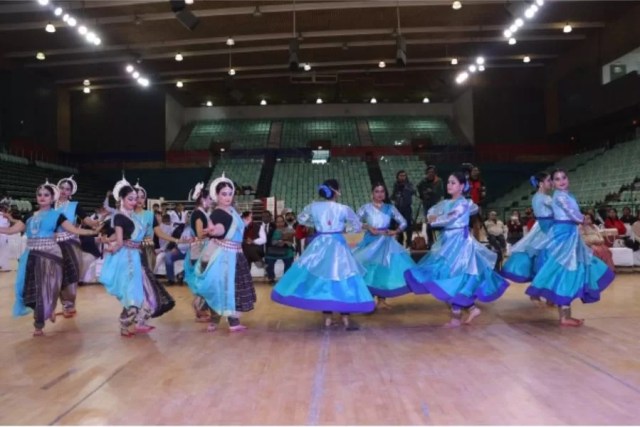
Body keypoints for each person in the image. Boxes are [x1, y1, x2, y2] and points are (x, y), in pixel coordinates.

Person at [404, 171, 508, 328]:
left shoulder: (463, 203)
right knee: (450, 276)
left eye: (453, 183)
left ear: (462, 186)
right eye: (448, 182)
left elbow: (450, 217)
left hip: (460, 244)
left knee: (455, 277)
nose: (449, 185)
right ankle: (471, 309)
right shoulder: (446, 202)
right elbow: (433, 210)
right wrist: (432, 216)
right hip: (449, 243)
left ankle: (457, 317)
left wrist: (435, 219)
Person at [271, 179, 375, 330]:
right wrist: (343, 230)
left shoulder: (313, 206)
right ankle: (345, 319)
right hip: (338, 245)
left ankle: (327, 320)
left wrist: (317, 224)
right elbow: (357, 226)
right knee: (343, 277)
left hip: (319, 244)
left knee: (322, 279)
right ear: (337, 191)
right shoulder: (343, 208)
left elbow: (301, 219)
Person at [4, 181, 97, 336]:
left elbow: (75, 230)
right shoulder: (29, 216)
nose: (42, 197)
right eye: (39, 195)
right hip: (31, 256)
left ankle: (41, 321)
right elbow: (11, 230)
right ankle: (45, 313)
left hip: (51, 256)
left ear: (52, 197)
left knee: (49, 288)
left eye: (46, 195)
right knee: (30, 288)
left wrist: (95, 231)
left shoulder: (57, 215)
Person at [525, 169, 615, 327]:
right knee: (566, 271)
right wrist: (584, 220)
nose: (561, 181)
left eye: (564, 177)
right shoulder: (560, 196)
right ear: (553, 183)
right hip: (563, 235)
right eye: (557, 179)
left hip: (569, 234)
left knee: (568, 272)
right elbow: (573, 214)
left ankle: (564, 315)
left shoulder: (565, 195)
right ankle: (564, 316)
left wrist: (582, 221)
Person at [99, 177, 175, 337]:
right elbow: (120, 239)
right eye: (130, 199)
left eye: (136, 199)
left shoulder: (133, 216)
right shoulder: (119, 217)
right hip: (127, 257)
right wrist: (111, 245)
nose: (134, 202)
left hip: (135, 255)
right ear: (121, 199)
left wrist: (110, 240)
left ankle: (134, 321)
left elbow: (121, 236)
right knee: (132, 292)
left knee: (140, 290)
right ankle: (126, 324)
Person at [191, 174, 257, 333]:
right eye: (224, 194)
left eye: (230, 194)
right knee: (222, 287)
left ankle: (226, 321)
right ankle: (221, 321)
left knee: (232, 288)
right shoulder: (217, 213)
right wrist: (214, 230)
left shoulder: (232, 210)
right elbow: (220, 228)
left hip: (236, 255)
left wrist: (244, 223)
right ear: (217, 195)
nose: (227, 197)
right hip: (224, 257)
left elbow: (232, 228)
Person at [353, 183, 415, 309]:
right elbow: (354, 222)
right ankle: (369, 300)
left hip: (386, 242)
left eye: (382, 191)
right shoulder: (366, 208)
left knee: (383, 269)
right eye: (377, 191)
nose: (380, 194)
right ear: (372, 193)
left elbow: (403, 222)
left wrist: (395, 231)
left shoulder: (390, 208)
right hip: (370, 242)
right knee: (369, 269)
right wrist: (368, 227)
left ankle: (381, 300)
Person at [500, 172, 555, 305]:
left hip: (545, 229)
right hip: (546, 231)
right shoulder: (543, 198)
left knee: (545, 260)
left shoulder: (540, 197)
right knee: (546, 260)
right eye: (549, 180)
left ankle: (545, 293)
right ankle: (541, 292)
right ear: (541, 184)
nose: (551, 183)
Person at [183, 182, 215, 322]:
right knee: (203, 280)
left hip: (202, 249)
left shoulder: (201, 213)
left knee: (204, 279)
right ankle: (199, 308)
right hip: (200, 250)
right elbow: (200, 234)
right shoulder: (198, 214)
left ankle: (200, 309)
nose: (211, 201)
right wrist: (213, 231)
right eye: (209, 198)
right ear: (202, 199)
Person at [416, 165, 444, 248]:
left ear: (435, 173)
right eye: (429, 172)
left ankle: (442, 240)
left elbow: (441, 192)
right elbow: (418, 187)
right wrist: (422, 195)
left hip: (436, 204)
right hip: (427, 204)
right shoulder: (423, 181)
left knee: (439, 223)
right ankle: (430, 241)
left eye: (432, 172)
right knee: (428, 224)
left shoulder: (439, 181)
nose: (430, 173)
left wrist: (432, 192)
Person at [264, 215, 295, 284]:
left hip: (285, 249)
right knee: (269, 259)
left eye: (281, 222)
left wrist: (285, 243)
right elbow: (268, 242)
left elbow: (291, 242)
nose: (280, 223)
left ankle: (286, 279)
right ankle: (271, 278)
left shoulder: (288, 230)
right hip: (273, 250)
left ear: (284, 222)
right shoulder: (271, 230)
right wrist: (277, 243)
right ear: (275, 223)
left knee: (289, 257)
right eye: (278, 222)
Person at [391, 170, 416, 247]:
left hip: (407, 207)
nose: (402, 177)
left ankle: (409, 241)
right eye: (401, 176)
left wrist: (405, 187)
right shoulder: (396, 185)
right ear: (397, 177)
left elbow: (413, 191)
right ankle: (400, 241)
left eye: (404, 175)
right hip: (398, 208)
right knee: (399, 225)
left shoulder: (409, 184)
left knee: (408, 225)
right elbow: (393, 196)